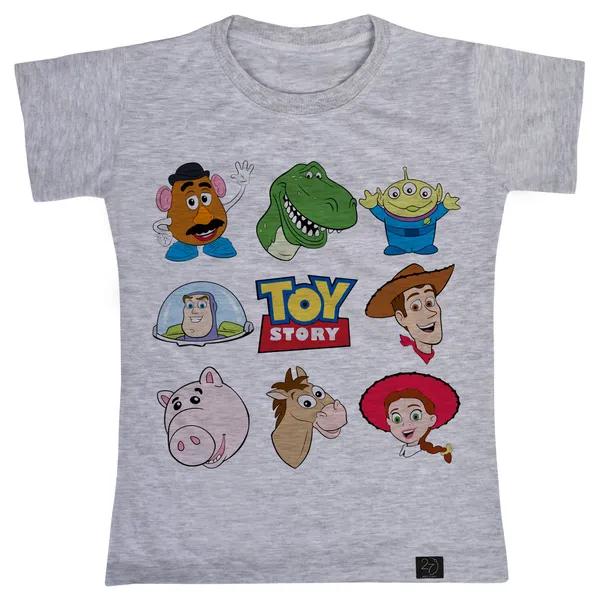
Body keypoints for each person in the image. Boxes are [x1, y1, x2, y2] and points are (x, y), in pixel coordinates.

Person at [360, 372, 460, 463]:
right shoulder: (386, 456)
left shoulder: (430, 459)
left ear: (431, 419)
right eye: (397, 419)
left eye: (415, 416)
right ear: (389, 422)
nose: (406, 424)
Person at [365, 263, 454, 363]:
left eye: (429, 303)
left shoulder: (452, 356)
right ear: (401, 318)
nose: (430, 313)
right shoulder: (396, 358)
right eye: (415, 307)